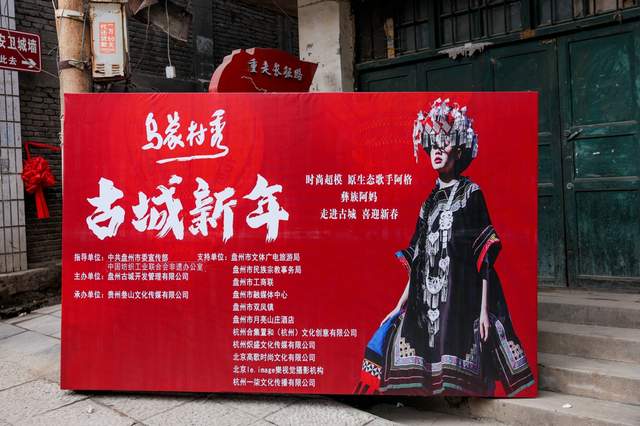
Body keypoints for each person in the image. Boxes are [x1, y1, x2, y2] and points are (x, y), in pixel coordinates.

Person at [355, 98, 534, 396]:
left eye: (444, 144)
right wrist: (399, 304)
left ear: (459, 151)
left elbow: (484, 256)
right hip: (426, 300)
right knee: (394, 343)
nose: (437, 151)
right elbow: (418, 260)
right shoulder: (428, 203)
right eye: (432, 146)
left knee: (459, 356)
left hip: (461, 297)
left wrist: (484, 310)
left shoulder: (471, 193)